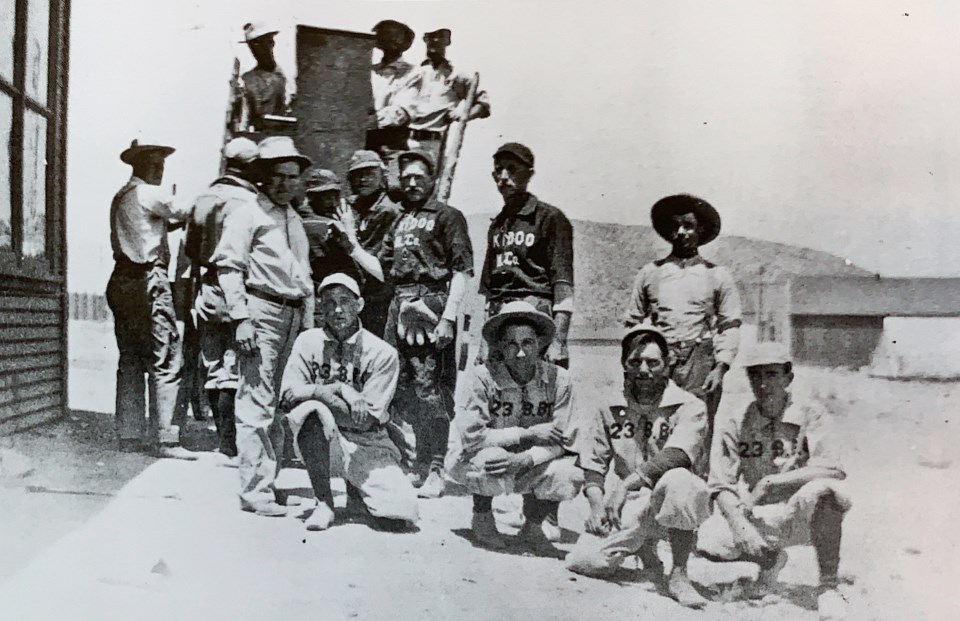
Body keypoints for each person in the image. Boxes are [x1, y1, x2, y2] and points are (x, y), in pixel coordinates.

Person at [338, 150, 473, 499]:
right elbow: (383, 270)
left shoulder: (448, 216)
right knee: (402, 389)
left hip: (431, 303)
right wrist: (352, 245)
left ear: (432, 179)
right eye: (407, 177)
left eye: (419, 177)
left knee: (432, 389)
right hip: (399, 303)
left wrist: (448, 317)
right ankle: (419, 460)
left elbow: (461, 270)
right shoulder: (399, 221)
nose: (412, 183)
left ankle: (437, 467)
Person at [698, 342, 851, 619]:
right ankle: (769, 560)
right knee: (709, 539)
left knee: (826, 491)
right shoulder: (737, 419)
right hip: (762, 517)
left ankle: (828, 587)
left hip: (803, 511)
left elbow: (834, 469)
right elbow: (720, 484)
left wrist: (771, 482)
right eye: (755, 375)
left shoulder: (809, 413)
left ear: (787, 378)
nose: (763, 383)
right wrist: (740, 526)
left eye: (771, 374)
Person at [565, 324, 712, 609]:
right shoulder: (609, 405)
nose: (644, 370)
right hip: (629, 504)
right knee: (583, 561)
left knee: (681, 479)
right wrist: (597, 506)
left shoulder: (690, 405)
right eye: (635, 362)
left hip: (670, 500)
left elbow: (678, 455)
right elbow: (593, 464)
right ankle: (644, 546)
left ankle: (679, 573)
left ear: (667, 364)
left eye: (653, 362)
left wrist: (625, 484)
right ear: (624, 365)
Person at [211, 136, 315, 516]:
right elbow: (229, 267)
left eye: (292, 177)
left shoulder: (293, 219)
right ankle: (254, 493)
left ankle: (268, 482)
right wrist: (242, 319)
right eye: (278, 176)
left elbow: (304, 277)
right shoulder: (247, 214)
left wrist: (307, 322)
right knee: (255, 401)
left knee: (280, 402)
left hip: (292, 315)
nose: (285, 184)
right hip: (262, 312)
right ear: (261, 178)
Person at [279, 273, 419, 532]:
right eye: (329, 302)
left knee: (401, 512)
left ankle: (357, 494)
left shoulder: (382, 352)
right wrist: (332, 390)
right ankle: (324, 502)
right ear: (321, 307)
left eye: (345, 301)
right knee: (312, 410)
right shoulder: (307, 341)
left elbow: (363, 420)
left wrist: (312, 390)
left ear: (360, 305)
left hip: (368, 441)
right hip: (323, 441)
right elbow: (287, 399)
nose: (337, 309)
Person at [446, 302, 583, 552]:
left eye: (528, 343)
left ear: (540, 343)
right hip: (475, 458)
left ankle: (532, 526)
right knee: (493, 457)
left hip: (529, 461)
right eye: (511, 344)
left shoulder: (559, 379)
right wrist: (527, 433)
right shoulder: (482, 376)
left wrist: (525, 459)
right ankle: (482, 517)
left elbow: (564, 441)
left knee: (568, 472)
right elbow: (473, 438)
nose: (520, 353)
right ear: (499, 346)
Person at [623, 194, 742, 461]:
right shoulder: (651, 273)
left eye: (688, 226)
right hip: (659, 362)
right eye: (675, 226)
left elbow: (729, 325)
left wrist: (720, 367)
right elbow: (633, 321)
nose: (681, 232)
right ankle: (651, 490)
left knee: (698, 430)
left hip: (699, 362)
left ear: (700, 229)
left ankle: (696, 490)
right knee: (655, 426)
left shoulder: (717, 275)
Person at [106, 139, 195, 460]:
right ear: (140, 165)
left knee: (130, 359)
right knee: (166, 356)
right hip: (148, 278)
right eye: (154, 164)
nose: (159, 170)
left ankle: (129, 434)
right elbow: (187, 210)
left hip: (122, 279)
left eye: (160, 165)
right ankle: (165, 439)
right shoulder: (148, 193)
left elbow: (151, 225)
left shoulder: (123, 196)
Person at [184, 137, 261, 461]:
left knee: (215, 368)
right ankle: (234, 443)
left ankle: (223, 441)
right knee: (239, 370)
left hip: (209, 289)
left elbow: (190, 248)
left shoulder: (204, 197)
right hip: (243, 289)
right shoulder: (252, 202)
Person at [479, 142, 574, 368]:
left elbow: (563, 288)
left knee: (540, 392)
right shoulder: (498, 225)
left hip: (535, 317)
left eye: (512, 169)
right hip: (500, 319)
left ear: (529, 174)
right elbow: (489, 293)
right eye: (498, 170)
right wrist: (485, 345)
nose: (503, 176)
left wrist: (559, 341)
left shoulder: (550, 218)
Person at [402, 28, 491, 170]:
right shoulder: (415, 72)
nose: (435, 40)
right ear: (425, 39)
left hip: (434, 143)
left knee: (429, 183)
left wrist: (464, 115)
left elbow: (483, 103)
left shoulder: (456, 75)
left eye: (440, 36)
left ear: (447, 41)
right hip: (406, 140)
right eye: (431, 36)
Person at [345, 150, 402, 338]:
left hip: (379, 296)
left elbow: (375, 259)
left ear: (382, 176)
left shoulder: (386, 210)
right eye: (358, 175)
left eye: (369, 174)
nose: (362, 180)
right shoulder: (356, 206)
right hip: (361, 293)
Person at [296, 167, 364, 290]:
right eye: (326, 197)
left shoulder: (336, 217)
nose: (333, 203)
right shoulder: (316, 224)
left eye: (335, 197)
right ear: (311, 197)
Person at [239, 22, 287, 132]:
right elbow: (244, 120)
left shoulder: (287, 76)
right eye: (253, 45)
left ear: (271, 43)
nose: (257, 49)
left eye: (261, 43)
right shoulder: (246, 80)